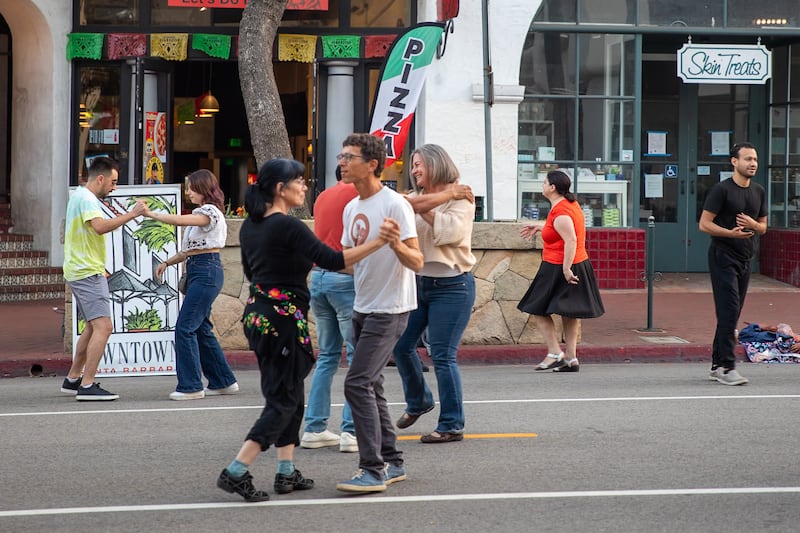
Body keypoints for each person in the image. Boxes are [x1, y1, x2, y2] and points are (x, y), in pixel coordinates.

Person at [217, 158, 387, 502]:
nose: (304, 186)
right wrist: (380, 241)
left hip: (260, 316)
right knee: (282, 401)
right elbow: (334, 260)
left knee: (291, 393)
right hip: (282, 321)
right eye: (299, 180)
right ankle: (236, 470)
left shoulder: (251, 226)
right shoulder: (287, 226)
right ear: (281, 189)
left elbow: (253, 273)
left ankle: (286, 470)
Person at [335, 133, 424, 493]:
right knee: (371, 385)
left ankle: (372, 469)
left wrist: (395, 243)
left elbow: (417, 261)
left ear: (371, 164)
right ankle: (393, 461)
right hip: (362, 306)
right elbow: (347, 261)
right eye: (341, 156)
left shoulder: (395, 205)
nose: (341, 162)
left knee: (356, 383)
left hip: (390, 309)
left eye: (349, 157)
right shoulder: (351, 207)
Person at [392, 144, 476, 444]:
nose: (414, 170)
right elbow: (404, 210)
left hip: (453, 285)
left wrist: (425, 206)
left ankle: (452, 424)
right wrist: (426, 202)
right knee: (400, 346)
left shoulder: (462, 198)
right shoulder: (416, 198)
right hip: (418, 283)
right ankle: (419, 401)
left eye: (418, 164)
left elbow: (450, 234)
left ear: (436, 164)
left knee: (442, 355)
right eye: (412, 165)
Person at [145, 169, 238, 400]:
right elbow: (191, 250)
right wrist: (167, 262)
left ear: (202, 189)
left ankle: (191, 386)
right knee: (201, 328)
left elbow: (180, 220)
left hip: (207, 270)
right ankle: (223, 381)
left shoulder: (210, 212)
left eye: (190, 188)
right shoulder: (202, 215)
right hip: (200, 268)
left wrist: (152, 214)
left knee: (185, 328)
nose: (188, 192)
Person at [61, 157, 146, 401]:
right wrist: (133, 214)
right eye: (113, 181)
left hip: (82, 269)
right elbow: (99, 227)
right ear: (101, 178)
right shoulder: (87, 199)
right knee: (103, 327)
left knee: (91, 325)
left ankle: (73, 378)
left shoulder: (79, 196)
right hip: (87, 271)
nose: (114, 187)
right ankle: (87, 386)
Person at [517, 169, 605, 373]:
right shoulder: (568, 205)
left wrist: (566, 269)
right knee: (569, 312)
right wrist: (540, 227)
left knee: (536, 307)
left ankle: (555, 353)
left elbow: (571, 239)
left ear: (552, 187)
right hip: (575, 263)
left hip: (559, 265)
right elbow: (560, 229)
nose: (542, 185)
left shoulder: (561, 212)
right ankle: (571, 358)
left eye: (545, 182)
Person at [301, 166, 360, 453]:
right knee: (357, 357)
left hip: (319, 278)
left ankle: (314, 428)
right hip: (345, 277)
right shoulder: (357, 192)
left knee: (327, 356)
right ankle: (351, 431)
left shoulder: (322, 196)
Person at [699, 142, 767, 386]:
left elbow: (763, 227)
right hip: (722, 256)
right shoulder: (722, 190)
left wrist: (752, 224)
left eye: (755, 159)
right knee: (728, 310)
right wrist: (731, 234)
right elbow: (704, 224)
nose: (753, 164)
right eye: (747, 159)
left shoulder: (758, 191)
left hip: (746, 258)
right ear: (734, 162)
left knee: (733, 313)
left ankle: (717, 365)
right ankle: (728, 367)